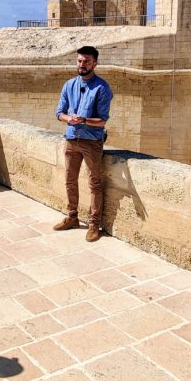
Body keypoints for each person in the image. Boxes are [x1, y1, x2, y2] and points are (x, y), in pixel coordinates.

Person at [53, 45, 112, 242]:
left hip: (91, 142)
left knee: (94, 183)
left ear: (95, 63)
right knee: (70, 180)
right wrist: (69, 118)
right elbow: (59, 113)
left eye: (87, 61)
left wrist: (84, 120)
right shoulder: (69, 85)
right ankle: (72, 217)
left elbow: (102, 120)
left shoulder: (102, 88)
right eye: (79, 61)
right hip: (71, 138)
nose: (82, 65)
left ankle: (94, 224)